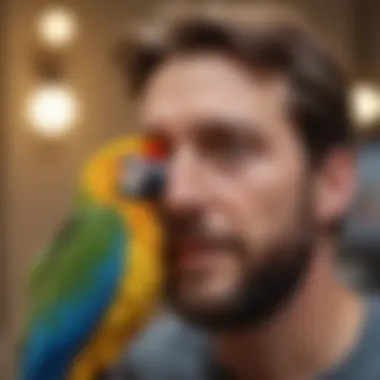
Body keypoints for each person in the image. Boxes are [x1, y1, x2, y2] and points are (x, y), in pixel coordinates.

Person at [111, 5, 380, 380]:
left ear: (331, 185)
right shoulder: (140, 369)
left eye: (230, 149)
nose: (176, 196)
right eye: (160, 154)